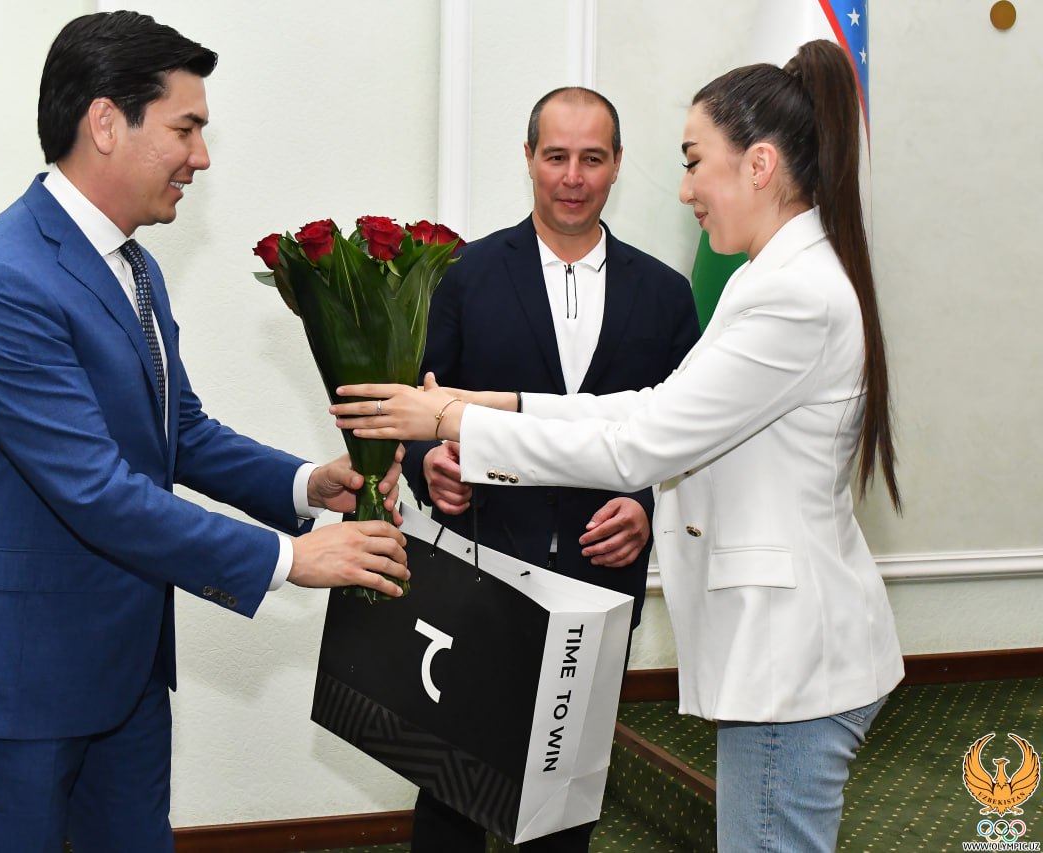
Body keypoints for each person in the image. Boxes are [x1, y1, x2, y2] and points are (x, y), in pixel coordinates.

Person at [333, 39, 903, 853]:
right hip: (770, 649)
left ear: (759, 164)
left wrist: (455, 422)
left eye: (695, 161)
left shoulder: (791, 295)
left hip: (790, 658)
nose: (686, 188)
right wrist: (486, 402)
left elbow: (640, 445)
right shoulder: (769, 278)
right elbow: (652, 406)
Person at [0, 11, 409, 853]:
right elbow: (94, 490)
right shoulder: (2, 281)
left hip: (125, 660)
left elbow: (182, 431)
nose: (200, 157)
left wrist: (304, 486)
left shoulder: (133, 265)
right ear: (106, 122)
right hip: (18, 671)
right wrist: (289, 559)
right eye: (186, 128)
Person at [400, 86, 698, 853]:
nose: (572, 176)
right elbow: (418, 406)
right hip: (479, 569)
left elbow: (690, 435)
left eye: (591, 158)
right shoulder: (461, 274)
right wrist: (429, 464)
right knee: (451, 789)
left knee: (564, 799)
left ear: (618, 164)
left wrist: (649, 508)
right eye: (556, 156)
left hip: (601, 582)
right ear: (529, 158)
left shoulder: (667, 295)